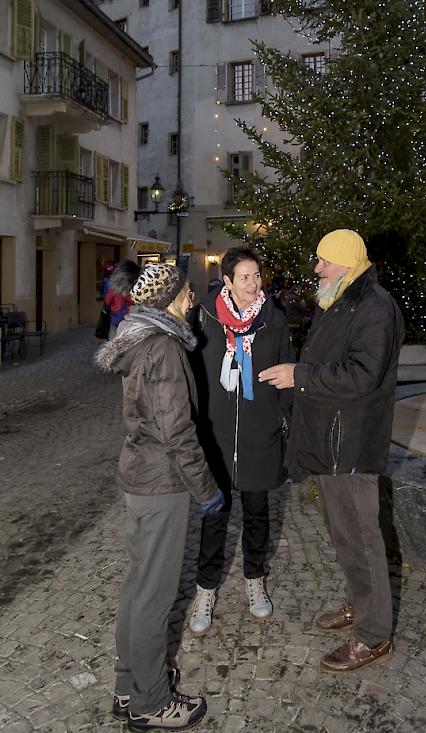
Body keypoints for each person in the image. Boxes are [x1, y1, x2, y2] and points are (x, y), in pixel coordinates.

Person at [259, 229, 404, 673]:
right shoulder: (340, 296)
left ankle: (374, 635)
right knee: (344, 535)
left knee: (361, 536)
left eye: (322, 260)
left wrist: (299, 375)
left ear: (343, 262)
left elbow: (361, 375)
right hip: (330, 438)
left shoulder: (374, 307)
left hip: (351, 443)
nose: (316, 268)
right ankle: (362, 606)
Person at [95, 263, 224, 731]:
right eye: (188, 293)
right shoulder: (164, 347)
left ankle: (128, 687)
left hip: (139, 478)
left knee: (138, 588)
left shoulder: (138, 339)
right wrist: (206, 489)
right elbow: (178, 432)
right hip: (162, 484)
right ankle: (151, 702)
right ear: (170, 297)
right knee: (155, 596)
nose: (192, 300)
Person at [188, 247, 293, 634]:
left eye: (257, 276)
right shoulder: (207, 318)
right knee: (214, 516)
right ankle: (206, 589)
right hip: (215, 437)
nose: (254, 284)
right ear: (227, 281)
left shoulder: (273, 320)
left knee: (257, 514)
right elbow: (194, 375)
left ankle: (255, 580)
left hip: (259, 433)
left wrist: (285, 420)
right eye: (244, 277)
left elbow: (287, 375)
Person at [104, 260, 140, 340]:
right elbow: (133, 301)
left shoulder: (113, 289)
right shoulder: (132, 288)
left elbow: (107, 301)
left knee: (113, 337)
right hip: (127, 315)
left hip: (116, 314)